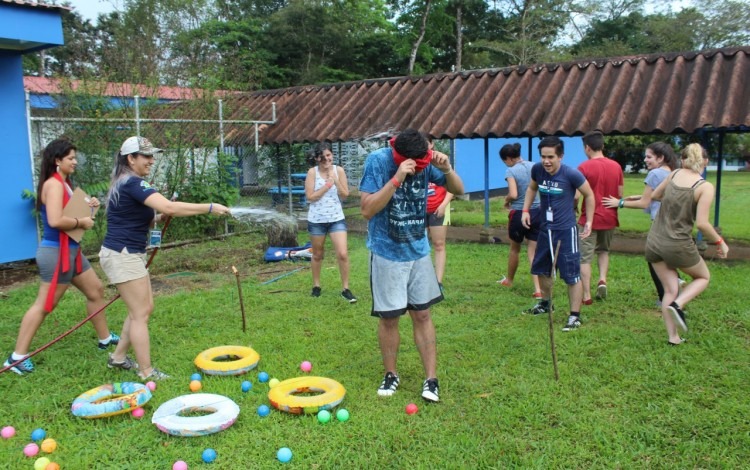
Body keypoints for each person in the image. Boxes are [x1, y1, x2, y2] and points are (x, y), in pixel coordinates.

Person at [100, 136, 230, 380]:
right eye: (146, 156)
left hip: (127, 252)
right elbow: (170, 207)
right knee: (140, 314)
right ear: (131, 158)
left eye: (152, 155)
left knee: (143, 308)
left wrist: (158, 218)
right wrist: (210, 207)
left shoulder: (128, 182)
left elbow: (141, 217)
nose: (152, 160)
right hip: (123, 254)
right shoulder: (133, 184)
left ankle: (118, 358)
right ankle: (147, 372)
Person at [359, 128, 464, 403]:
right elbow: (367, 209)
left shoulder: (428, 160)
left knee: (423, 315)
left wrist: (448, 170)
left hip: (418, 251)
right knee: (390, 317)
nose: (420, 168)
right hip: (386, 252)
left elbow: (459, 190)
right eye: (415, 164)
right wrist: (397, 178)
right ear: (398, 154)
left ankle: (431, 379)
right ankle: (391, 374)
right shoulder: (379, 161)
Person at [4, 138, 119, 375]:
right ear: (57, 160)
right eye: (70, 158)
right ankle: (16, 358)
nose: (75, 162)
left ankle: (105, 339)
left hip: (72, 251)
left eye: (75, 157)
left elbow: (69, 211)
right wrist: (82, 221)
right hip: (56, 253)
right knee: (45, 305)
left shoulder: (64, 184)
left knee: (95, 290)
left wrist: (90, 206)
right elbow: (56, 220)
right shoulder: (54, 185)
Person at [644, 143, 728, 345]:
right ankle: (679, 304)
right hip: (678, 245)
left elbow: (655, 196)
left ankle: (673, 337)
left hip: (654, 242)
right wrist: (720, 242)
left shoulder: (673, 175)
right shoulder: (704, 187)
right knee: (703, 277)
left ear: (682, 160)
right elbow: (702, 223)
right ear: (705, 162)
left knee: (669, 289)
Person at [522, 136, 595, 332]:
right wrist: (526, 210)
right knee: (542, 269)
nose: (546, 161)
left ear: (561, 156)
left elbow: (589, 194)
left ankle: (574, 316)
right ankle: (546, 303)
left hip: (566, 231)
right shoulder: (537, 170)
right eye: (543, 156)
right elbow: (531, 188)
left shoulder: (571, 174)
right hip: (545, 230)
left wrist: (588, 221)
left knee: (571, 275)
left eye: (551, 157)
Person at [603, 142, 680, 305]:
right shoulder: (673, 172)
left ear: (661, 158)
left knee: (654, 259)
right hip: (674, 222)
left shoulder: (654, 174)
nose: (645, 160)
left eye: (649, 157)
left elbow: (645, 203)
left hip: (659, 224)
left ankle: (665, 296)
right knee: (665, 259)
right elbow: (658, 196)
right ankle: (676, 287)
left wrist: (620, 203)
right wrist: (634, 197)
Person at [304, 143, 357, 302]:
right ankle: (316, 286)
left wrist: (335, 181)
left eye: (329, 155)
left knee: (343, 253)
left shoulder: (338, 170)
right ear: (317, 158)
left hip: (336, 219)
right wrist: (327, 186)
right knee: (318, 254)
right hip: (317, 220)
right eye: (323, 156)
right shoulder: (312, 172)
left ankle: (346, 289)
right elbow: (310, 197)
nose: (327, 159)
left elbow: (345, 194)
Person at [577, 130, 623, 304]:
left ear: (587, 148)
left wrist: (574, 207)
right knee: (603, 250)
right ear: (602, 146)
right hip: (609, 217)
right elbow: (619, 194)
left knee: (584, 257)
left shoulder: (584, 167)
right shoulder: (616, 166)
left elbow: (575, 194)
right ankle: (602, 279)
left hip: (588, 219)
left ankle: (586, 294)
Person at [497, 143, 541, 298]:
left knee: (515, 248)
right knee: (533, 251)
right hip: (537, 212)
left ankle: (509, 280)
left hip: (519, 213)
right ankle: (538, 289)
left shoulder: (511, 170)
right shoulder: (535, 166)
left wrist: (506, 199)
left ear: (508, 159)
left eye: (504, 161)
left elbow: (514, 194)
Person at [426, 140, 453, 293]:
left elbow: (452, 186)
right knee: (420, 245)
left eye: (426, 143)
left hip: (438, 209)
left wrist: (443, 205)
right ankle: (422, 279)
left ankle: (438, 282)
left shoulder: (441, 161)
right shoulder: (414, 162)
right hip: (419, 210)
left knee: (439, 244)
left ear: (432, 144)